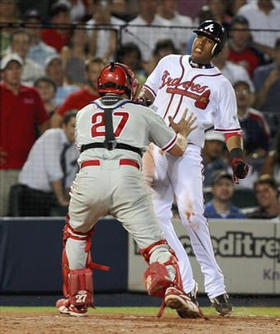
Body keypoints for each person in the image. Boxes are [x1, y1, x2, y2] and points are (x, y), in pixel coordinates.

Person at [55, 62, 202, 318]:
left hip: (89, 175)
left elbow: (85, 147)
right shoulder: (142, 112)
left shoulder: (83, 112)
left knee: (77, 234)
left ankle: (76, 299)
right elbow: (175, 149)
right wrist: (182, 134)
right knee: (154, 245)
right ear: (129, 86)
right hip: (127, 178)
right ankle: (170, 287)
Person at [139, 20, 249, 316]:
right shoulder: (169, 63)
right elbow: (146, 94)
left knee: (191, 217)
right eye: (199, 36)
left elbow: (230, 129)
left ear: (217, 48)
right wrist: (138, 105)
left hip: (187, 152)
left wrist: (236, 157)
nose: (200, 41)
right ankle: (185, 285)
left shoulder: (220, 84)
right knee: (156, 217)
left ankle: (216, 286)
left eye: (208, 39)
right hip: (154, 147)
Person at [0, 54, 49, 217]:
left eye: (17, 68)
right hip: (3, 167)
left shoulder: (32, 94)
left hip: (29, 167)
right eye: (10, 68)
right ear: (3, 72)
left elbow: (44, 123)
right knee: (2, 212)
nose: (14, 72)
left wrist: (42, 153)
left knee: (24, 214)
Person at [17, 111, 78, 216]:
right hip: (31, 194)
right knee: (31, 229)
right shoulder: (52, 136)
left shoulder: (76, 147)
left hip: (50, 196)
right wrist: (61, 201)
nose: (76, 131)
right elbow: (54, 172)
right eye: (73, 126)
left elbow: (69, 180)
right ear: (64, 126)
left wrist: (67, 202)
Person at [51, 57, 105, 128]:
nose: (98, 76)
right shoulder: (76, 97)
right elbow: (56, 120)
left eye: (101, 72)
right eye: (94, 72)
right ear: (86, 75)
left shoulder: (113, 97)